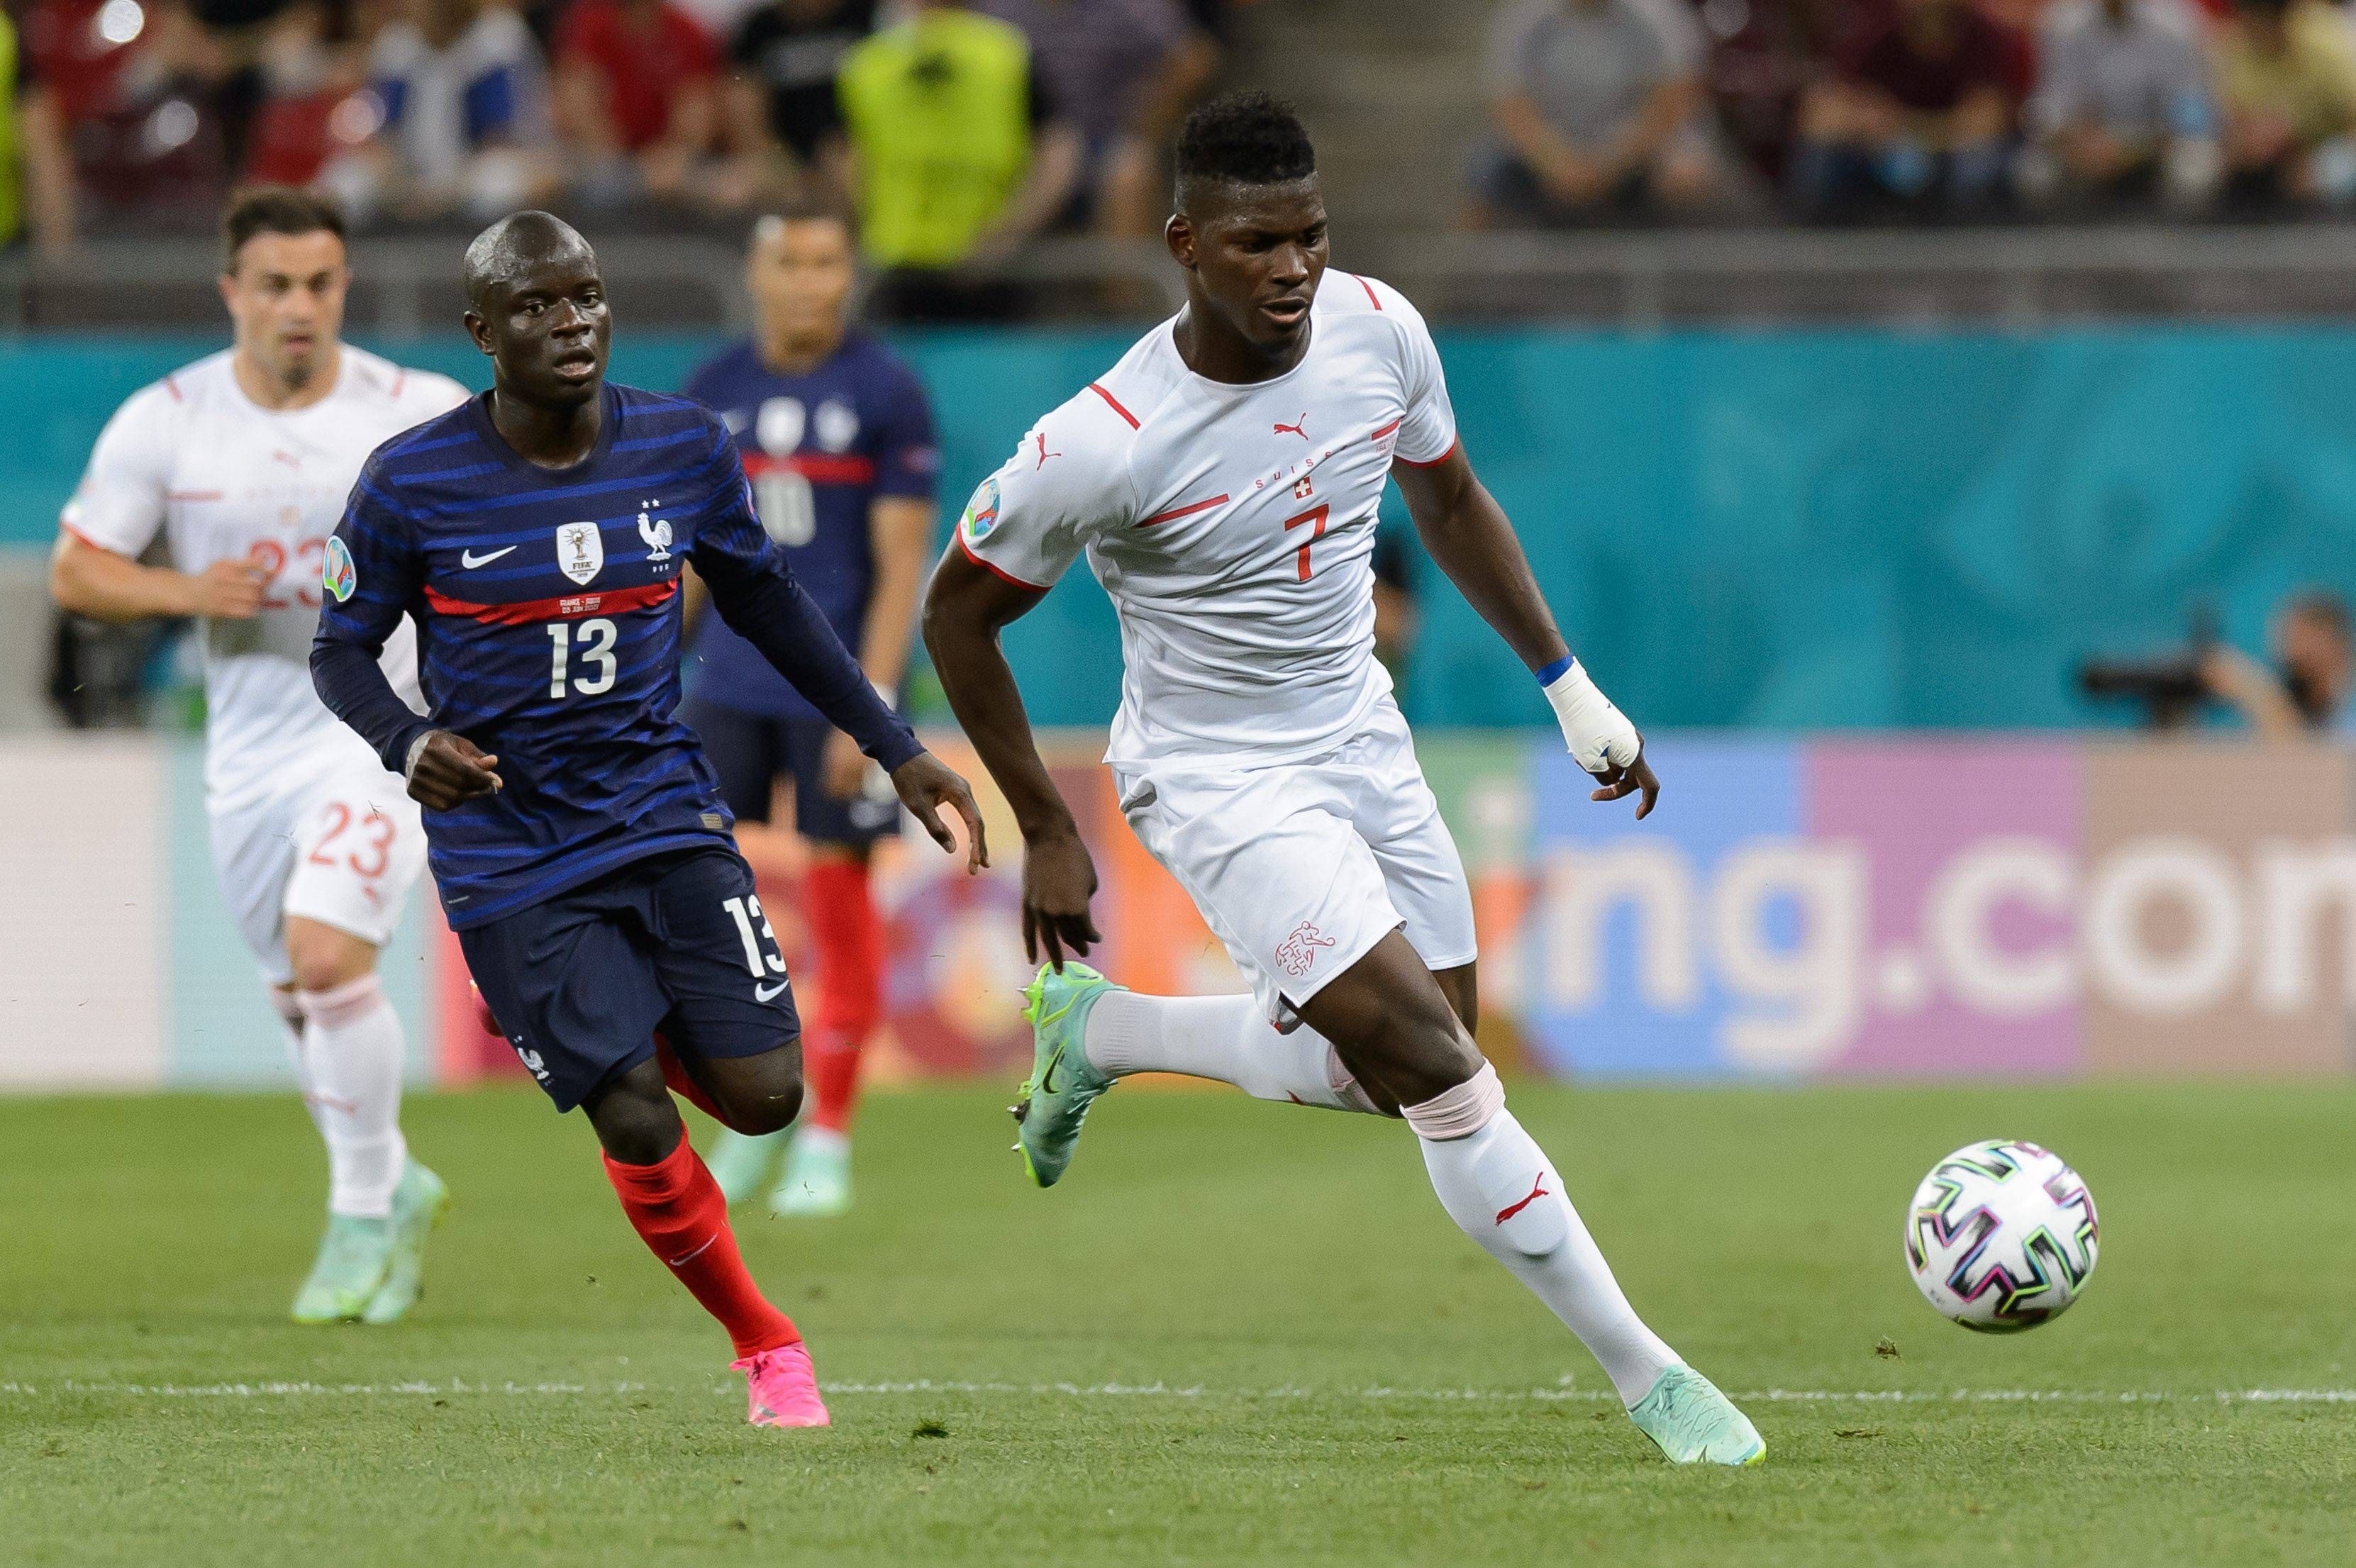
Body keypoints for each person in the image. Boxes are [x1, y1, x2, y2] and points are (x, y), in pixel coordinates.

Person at [920, 92, 1763, 1467]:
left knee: (1401, 1066)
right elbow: (957, 616)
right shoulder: (1105, 437)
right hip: (1215, 776)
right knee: (1442, 1077)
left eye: (1309, 236)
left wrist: (1570, 687)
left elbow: (1446, 500)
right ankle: (1651, 1379)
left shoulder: (1379, 328)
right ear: (1185, 241)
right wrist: (1043, 824)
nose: (1292, 269)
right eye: (1257, 244)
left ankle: (1104, 1033)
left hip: (1360, 739)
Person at [309, 210, 984, 1428]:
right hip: (508, 845)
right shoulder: (409, 480)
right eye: (536, 306)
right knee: (626, 1099)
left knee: (764, 1096)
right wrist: (408, 742)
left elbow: (769, 608)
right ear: (480, 332)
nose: (570, 324)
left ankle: (632, 1023)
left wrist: (897, 744)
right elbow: (340, 653)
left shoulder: (681, 443)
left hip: (663, 810)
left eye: (586, 298)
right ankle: (766, 1343)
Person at [49, 187, 465, 1324]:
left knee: (328, 958)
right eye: (274, 285)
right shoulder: (167, 419)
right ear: (232, 290)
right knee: (296, 987)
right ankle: (396, 1180)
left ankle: (363, 1201)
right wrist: (184, 588)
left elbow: (497, 533)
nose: (299, 307)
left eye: (319, 284)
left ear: (343, 288)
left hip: (379, 731)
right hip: (248, 742)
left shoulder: (416, 410)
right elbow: (79, 568)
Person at [678, 200, 939, 1217]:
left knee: (839, 912)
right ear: (758, 271)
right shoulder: (715, 389)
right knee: (697, 898)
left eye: (827, 260)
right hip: (728, 689)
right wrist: (655, 681)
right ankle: (750, 1115)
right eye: (790, 260)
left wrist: (868, 705)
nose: (807, 280)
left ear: (848, 273)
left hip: (835, 691)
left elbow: (898, 563)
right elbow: (695, 559)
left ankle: (827, 1132)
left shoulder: (885, 391)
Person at [833, 0, 1079, 320]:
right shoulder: (1008, 52)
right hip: (994, 261)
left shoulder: (866, 63)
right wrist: (1009, 234)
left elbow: (844, 160)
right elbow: (1059, 154)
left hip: (897, 257)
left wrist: (861, 230)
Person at [1467, 0, 1721, 226]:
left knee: (1686, 173)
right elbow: (1511, 105)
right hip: (1553, 152)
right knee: (1484, 176)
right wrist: (1558, 162)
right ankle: (1476, 273)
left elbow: (1673, 102)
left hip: (1634, 151)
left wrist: (1608, 163)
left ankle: (1672, 268)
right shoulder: (1524, 15)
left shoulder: (1657, 13)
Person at [1789, 0, 2019, 218]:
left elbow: (1988, 121)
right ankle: (1820, 248)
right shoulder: (1878, 35)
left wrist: (1904, 128)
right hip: (1885, 158)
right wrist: (1866, 121)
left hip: (1953, 158)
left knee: (1976, 165)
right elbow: (1826, 110)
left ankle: (1975, 251)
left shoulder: (1984, 38)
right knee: (1825, 157)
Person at [2022, 0, 2219, 210]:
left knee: (2195, 169)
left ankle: (2177, 241)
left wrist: (2131, 149)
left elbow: (2193, 114)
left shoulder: (2177, 21)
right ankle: (2061, 239)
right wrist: (2073, 138)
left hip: (2155, 144)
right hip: (2085, 143)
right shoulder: (2062, 23)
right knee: (2034, 171)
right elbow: (2048, 107)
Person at [551, 0, 721, 208]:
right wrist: (619, 165)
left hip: (665, 168)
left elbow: (695, 123)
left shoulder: (688, 32)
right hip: (602, 160)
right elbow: (577, 103)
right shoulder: (590, 24)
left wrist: (670, 158)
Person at [2214, 0, 2356, 208]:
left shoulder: (2327, 44)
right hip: (2267, 165)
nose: (2254, 26)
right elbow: (2231, 124)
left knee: (2335, 170)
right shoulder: (2235, 47)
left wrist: (2311, 160)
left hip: (2328, 149)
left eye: (2264, 16)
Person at [2202, 590, 2356, 737]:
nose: (2293, 655)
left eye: (2305, 642)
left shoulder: (2347, 721)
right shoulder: (2301, 712)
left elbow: (2303, 755)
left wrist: (2256, 692)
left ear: (2339, 651)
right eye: (2290, 642)